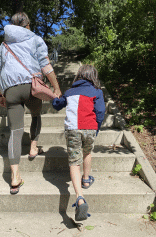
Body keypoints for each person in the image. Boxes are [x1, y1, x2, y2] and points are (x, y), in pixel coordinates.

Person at [0, 12, 61, 195]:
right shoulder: (36, 39)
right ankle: (33, 147)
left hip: (11, 90)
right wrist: (56, 88)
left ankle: (15, 176)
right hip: (32, 86)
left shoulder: (4, 44)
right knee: (36, 114)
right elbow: (45, 66)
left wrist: (1, 94)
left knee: (15, 132)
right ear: (27, 26)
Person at [52, 64, 105, 221]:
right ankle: (86, 180)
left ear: (79, 76)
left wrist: (54, 96)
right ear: (93, 77)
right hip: (89, 128)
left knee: (74, 163)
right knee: (87, 152)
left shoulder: (69, 92)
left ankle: (80, 198)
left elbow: (56, 105)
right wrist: (97, 128)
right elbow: (100, 112)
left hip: (73, 130)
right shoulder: (97, 92)